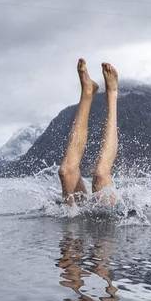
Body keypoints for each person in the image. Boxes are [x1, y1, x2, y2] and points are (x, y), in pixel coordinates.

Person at [58, 59, 118, 202]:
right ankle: (88, 91)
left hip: (108, 216)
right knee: (65, 172)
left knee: (101, 174)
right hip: (83, 217)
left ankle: (112, 93)